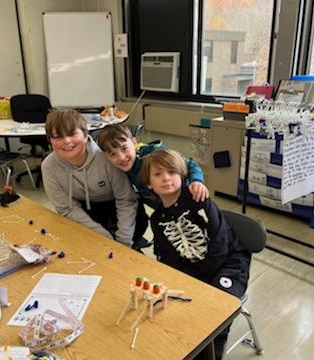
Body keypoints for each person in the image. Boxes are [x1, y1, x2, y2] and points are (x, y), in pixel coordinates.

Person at [139, 149, 251, 360]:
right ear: (148, 184)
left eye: (172, 172)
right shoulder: (157, 220)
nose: (166, 178)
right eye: (158, 174)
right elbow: (167, 257)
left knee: (216, 311)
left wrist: (202, 282)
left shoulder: (198, 199)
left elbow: (220, 244)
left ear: (182, 175)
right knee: (176, 312)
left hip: (229, 264)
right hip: (192, 272)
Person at [96, 124, 209, 250]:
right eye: (113, 154)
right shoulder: (116, 169)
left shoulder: (153, 155)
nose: (121, 157)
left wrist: (197, 181)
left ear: (134, 142)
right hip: (160, 208)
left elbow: (190, 164)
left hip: (186, 201)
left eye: (124, 148)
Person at [41, 108, 138, 246]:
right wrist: (103, 238)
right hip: (82, 212)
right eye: (58, 137)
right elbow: (67, 209)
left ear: (86, 135)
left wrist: (123, 242)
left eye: (72, 134)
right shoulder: (49, 167)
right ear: (50, 141)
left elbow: (126, 200)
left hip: (119, 213)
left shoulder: (106, 157)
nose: (66, 141)